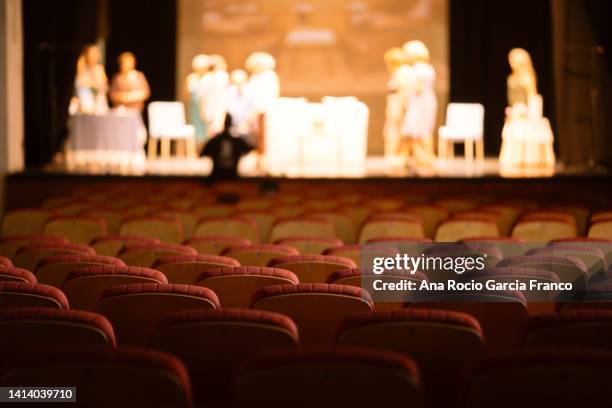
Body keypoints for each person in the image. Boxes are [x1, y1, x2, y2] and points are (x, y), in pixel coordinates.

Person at [400, 40, 437, 168]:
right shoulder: (428, 68)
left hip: (420, 103)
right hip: (424, 101)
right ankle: (419, 158)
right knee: (421, 130)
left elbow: (418, 88)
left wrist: (405, 87)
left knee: (417, 130)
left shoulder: (418, 69)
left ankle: (424, 158)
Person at [201, 114, 253, 180]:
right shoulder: (237, 142)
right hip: (231, 179)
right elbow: (249, 149)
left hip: (217, 179)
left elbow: (202, 153)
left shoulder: (214, 141)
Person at [200, 54, 230, 137]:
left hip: (218, 107)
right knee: (212, 130)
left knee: (217, 128)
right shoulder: (208, 78)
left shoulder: (222, 76)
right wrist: (202, 109)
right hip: (212, 107)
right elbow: (203, 96)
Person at [184, 54, 211, 149]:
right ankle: (196, 149)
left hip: (206, 106)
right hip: (194, 107)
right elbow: (186, 94)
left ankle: (206, 149)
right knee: (195, 128)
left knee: (206, 128)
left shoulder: (209, 78)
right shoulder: (191, 78)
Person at [224, 69, 256, 145]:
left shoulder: (251, 92)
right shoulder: (229, 91)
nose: (237, 85)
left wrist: (246, 124)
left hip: (247, 126)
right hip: (232, 125)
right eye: (235, 82)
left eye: (240, 82)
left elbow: (253, 110)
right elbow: (225, 108)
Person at [74, 44, 109, 114]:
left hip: (98, 100)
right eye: (91, 53)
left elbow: (104, 85)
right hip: (84, 99)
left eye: (96, 53)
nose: (94, 56)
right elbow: (80, 83)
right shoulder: (82, 67)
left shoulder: (99, 69)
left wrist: (96, 84)